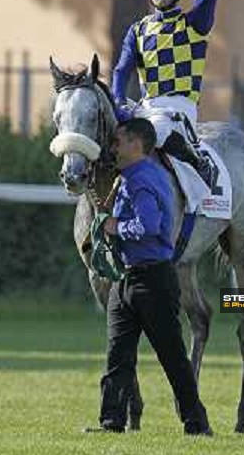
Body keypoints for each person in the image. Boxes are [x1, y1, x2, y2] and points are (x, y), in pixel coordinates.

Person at [86, 117, 212, 435]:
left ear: (136, 144)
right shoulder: (131, 176)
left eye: (119, 141)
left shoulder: (141, 179)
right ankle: (111, 422)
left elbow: (149, 226)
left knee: (172, 357)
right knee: (118, 356)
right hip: (127, 279)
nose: (113, 146)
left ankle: (197, 424)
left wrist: (113, 226)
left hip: (153, 281)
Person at [111, 0, 218, 190]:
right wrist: (117, 101)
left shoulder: (193, 23)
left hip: (178, 107)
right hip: (145, 107)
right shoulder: (138, 30)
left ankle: (197, 161)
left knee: (151, 133)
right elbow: (121, 70)